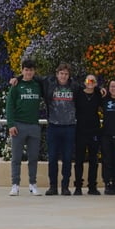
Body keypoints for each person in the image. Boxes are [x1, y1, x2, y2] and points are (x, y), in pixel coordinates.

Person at [6, 57, 44, 197]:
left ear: (34, 71)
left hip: (34, 126)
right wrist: (11, 124)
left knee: (33, 158)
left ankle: (32, 184)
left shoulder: (37, 85)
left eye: (31, 70)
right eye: (26, 70)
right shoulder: (16, 86)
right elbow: (9, 106)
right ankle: (15, 185)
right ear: (22, 71)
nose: (28, 73)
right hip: (18, 125)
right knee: (16, 158)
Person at [42, 63, 78, 196]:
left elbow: (89, 88)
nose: (63, 76)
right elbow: (32, 77)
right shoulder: (49, 84)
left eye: (66, 74)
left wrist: (100, 89)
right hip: (53, 126)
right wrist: (16, 77)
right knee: (52, 159)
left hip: (69, 127)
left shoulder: (74, 86)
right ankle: (52, 186)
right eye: (61, 73)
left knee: (67, 158)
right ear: (57, 74)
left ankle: (65, 186)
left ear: (69, 76)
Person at [73, 74, 103, 195]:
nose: (90, 82)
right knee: (79, 160)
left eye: (93, 81)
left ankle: (92, 186)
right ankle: (78, 187)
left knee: (93, 160)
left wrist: (99, 89)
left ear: (96, 83)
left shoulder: (98, 94)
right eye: (88, 80)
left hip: (94, 131)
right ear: (84, 82)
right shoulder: (79, 93)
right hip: (80, 131)